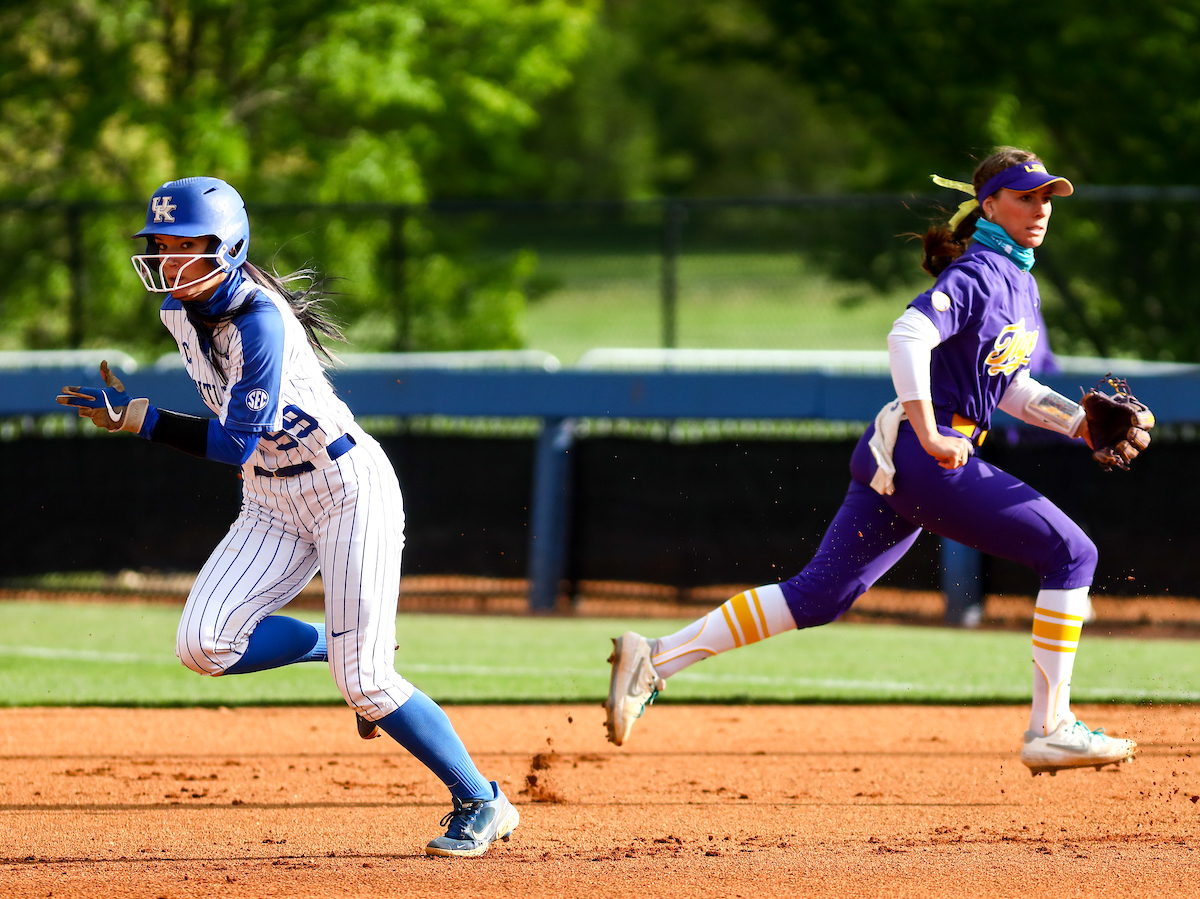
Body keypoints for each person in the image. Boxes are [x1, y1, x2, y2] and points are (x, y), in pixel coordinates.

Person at [605, 147, 1140, 777]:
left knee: (818, 596)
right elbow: (906, 336)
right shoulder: (978, 274)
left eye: (1048, 197)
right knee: (1072, 554)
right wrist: (931, 432)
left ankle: (656, 658)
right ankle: (1051, 727)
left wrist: (1077, 422)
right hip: (927, 455)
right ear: (990, 204)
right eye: (1026, 196)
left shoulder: (1019, 283)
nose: (1042, 208)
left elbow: (1009, 385)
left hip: (907, 457)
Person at [57, 177, 518, 854]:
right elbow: (246, 448)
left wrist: (142, 420)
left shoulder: (259, 319)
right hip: (270, 497)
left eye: (186, 244)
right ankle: (337, 642)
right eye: (161, 244)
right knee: (203, 646)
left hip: (344, 487)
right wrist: (141, 417)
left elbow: (234, 440)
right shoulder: (178, 314)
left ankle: (482, 800)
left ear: (230, 246)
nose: (168, 258)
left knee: (367, 683)